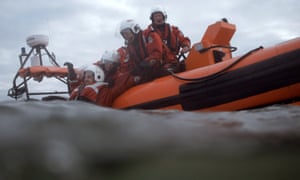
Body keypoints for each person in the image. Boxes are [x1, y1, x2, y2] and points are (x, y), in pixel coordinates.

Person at [145, 5, 191, 72]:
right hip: (158, 65)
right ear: (152, 19)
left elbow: (183, 39)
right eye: (156, 16)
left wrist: (186, 46)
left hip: (174, 61)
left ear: (164, 17)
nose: (158, 18)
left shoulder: (173, 30)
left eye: (159, 16)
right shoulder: (147, 34)